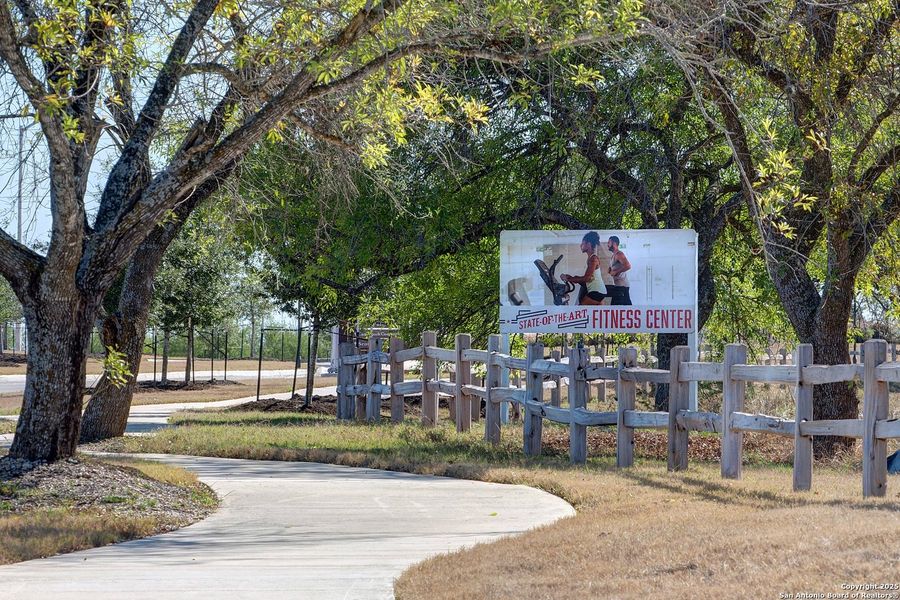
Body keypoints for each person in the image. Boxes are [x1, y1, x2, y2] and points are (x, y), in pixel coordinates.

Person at [561, 232, 608, 305]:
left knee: (580, 310)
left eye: (582, 244)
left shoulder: (593, 259)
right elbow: (590, 278)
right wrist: (572, 278)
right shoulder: (591, 258)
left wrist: (569, 279)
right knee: (596, 315)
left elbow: (587, 278)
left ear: (588, 245)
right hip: (599, 291)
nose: (580, 246)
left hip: (597, 292)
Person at [606, 235, 632, 305]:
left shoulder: (619, 254)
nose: (607, 244)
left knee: (619, 310)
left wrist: (616, 272)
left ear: (614, 243)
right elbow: (611, 270)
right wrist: (610, 270)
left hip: (622, 287)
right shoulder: (613, 256)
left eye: (609, 242)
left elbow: (628, 266)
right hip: (618, 287)